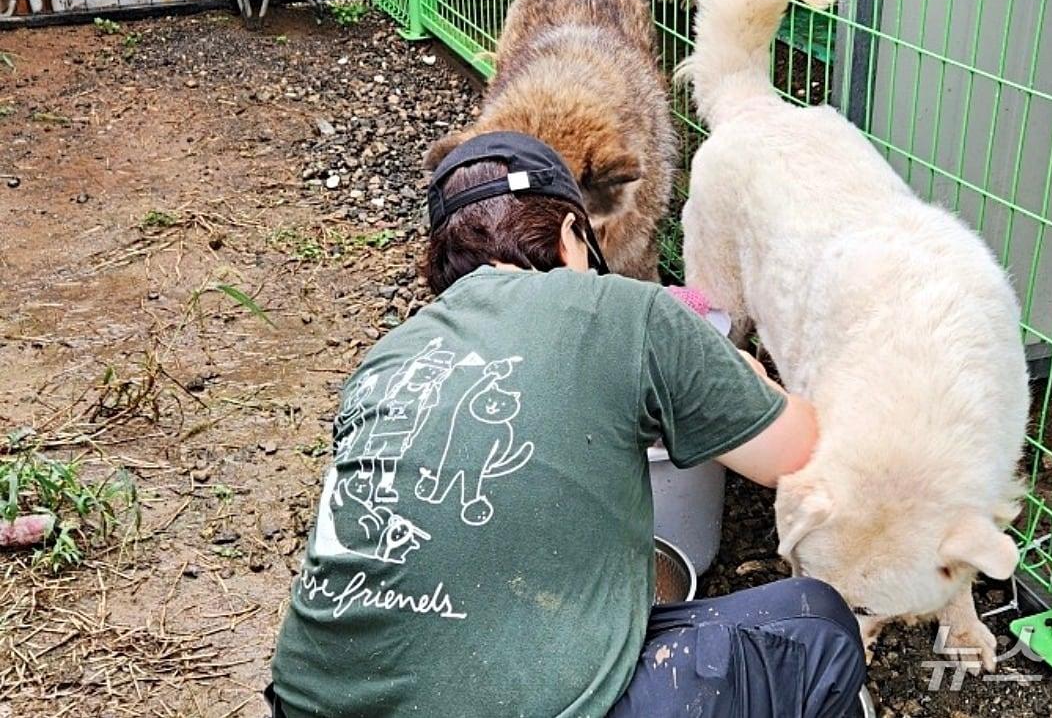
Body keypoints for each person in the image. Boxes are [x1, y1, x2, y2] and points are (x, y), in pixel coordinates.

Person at [268, 132, 867, 718]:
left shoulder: (390, 356)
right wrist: (746, 373)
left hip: (304, 698)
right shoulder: (627, 311)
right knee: (816, 624)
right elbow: (797, 451)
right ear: (571, 235)